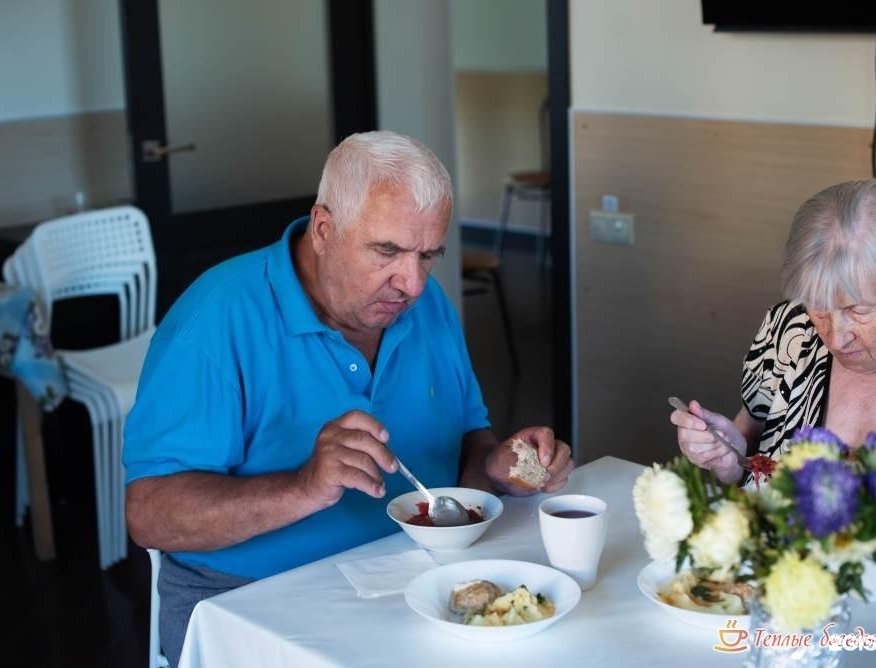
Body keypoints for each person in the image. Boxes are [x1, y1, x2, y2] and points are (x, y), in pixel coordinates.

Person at [123, 130, 574, 665]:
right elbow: (149, 514)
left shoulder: (427, 309)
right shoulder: (217, 320)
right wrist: (302, 487)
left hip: (411, 579)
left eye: (427, 255)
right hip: (250, 602)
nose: (410, 283)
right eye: (387, 250)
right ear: (323, 228)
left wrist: (497, 467)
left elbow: (464, 449)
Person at [671, 179, 876, 483]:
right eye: (819, 307)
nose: (836, 338)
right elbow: (751, 444)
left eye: (858, 310)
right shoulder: (791, 330)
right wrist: (728, 455)